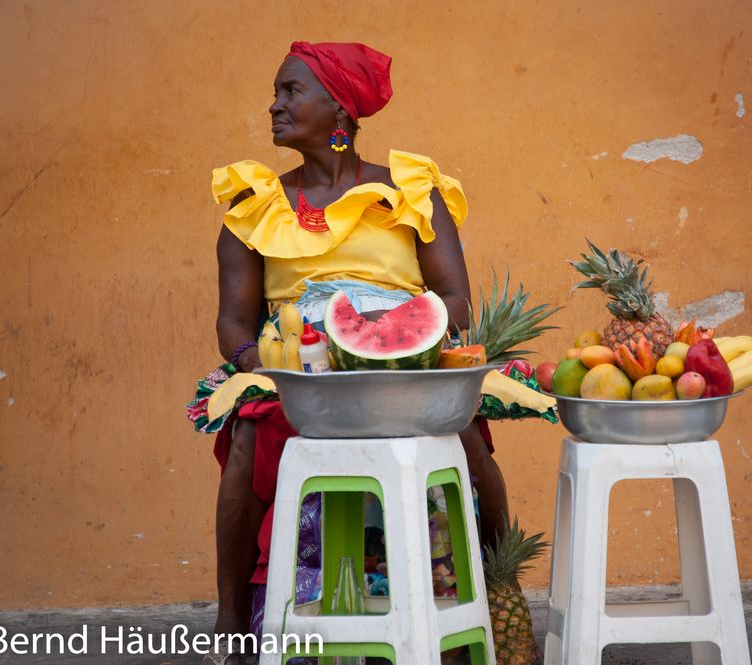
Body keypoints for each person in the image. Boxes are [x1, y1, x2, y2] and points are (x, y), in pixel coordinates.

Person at [188, 41, 509, 664]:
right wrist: (262, 363)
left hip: (407, 361)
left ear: (338, 108)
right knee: (252, 434)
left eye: (290, 92)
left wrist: (405, 343)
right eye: (277, 93)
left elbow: (453, 297)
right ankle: (231, 619)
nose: (274, 106)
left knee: (467, 436)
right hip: (295, 366)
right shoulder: (254, 205)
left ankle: (499, 593)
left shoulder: (409, 191)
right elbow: (233, 320)